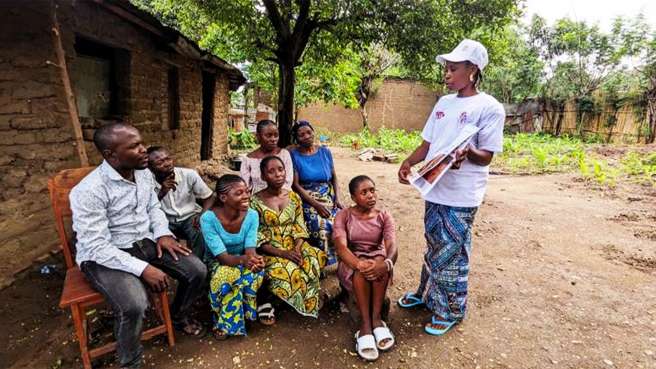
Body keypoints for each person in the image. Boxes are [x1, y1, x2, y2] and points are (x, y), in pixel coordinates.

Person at [70, 123, 207, 369]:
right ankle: (130, 362)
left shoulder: (142, 173)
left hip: (145, 242)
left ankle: (177, 315)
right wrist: (142, 268)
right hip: (105, 255)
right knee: (134, 304)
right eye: (134, 146)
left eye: (141, 143)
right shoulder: (89, 190)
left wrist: (163, 234)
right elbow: (97, 245)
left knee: (196, 270)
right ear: (110, 154)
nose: (144, 150)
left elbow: (153, 207)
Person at [397, 39, 505, 336]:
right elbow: (428, 144)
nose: (446, 73)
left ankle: (451, 310)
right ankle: (427, 293)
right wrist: (409, 161)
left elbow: (486, 156)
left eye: (453, 68)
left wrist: (468, 152)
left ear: (473, 70)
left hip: (462, 194)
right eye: (446, 67)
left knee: (452, 251)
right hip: (434, 188)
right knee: (435, 243)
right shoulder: (444, 104)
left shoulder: (490, 108)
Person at [250, 156, 327, 321]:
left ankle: (300, 296)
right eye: (271, 171)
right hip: (270, 250)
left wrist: (297, 249)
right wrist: (283, 253)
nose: (278, 174)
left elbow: (299, 226)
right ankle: (269, 301)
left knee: (315, 258)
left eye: (280, 169)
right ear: (263, 177)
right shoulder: (254, 202)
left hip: (294, 245)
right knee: (289, 271)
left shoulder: (293, 197)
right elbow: (256, 236)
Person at [333, 176, 398, 361]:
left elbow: (392, 245)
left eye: (372, 190)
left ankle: (377, 319)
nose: (370, 195)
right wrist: (358, 264)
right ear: (353, 197)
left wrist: (386, 264)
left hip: (377, 259)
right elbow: (341, 247)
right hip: (351, 261)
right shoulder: (343, 216)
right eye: (364, 192)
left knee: (379, 266)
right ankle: (366, 325)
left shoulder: (384, 215)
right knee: (362, 273)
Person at [199, 175, 266, 339]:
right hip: (216, 261)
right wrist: (245, 260)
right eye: (239, 193)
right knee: (226, 274)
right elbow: (223, 258)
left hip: (242, 257)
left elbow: (250, 249)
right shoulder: (208, 219)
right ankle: (222, 321)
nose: (246, 196)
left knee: (256, 271)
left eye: (247, 191)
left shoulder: (252, 215)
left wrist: (254, 260)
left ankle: (242, 315)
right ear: (223, 198)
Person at [289, 120, 343, 266]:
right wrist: (316, 205)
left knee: (341, 221)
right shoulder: (294, 155)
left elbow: (334, 177)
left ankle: (341, 259)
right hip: (307, 197)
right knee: (318, 223)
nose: (306, 136)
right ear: (296, 139)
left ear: (313, 132)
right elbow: (296, 185)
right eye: (301, 135)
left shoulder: (325, 152)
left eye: (308, 132)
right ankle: (321, 261)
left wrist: (337, 198)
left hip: (326, 195)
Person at [147, 146, 214, 261]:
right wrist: (162, 192)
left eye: (168, 159)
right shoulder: (147, 182)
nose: (167, 164)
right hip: (165, 220)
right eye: (160, 162)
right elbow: (147, 209)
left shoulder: (189, 175)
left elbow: (209, 197)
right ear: (150, 168)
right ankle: (175, 265)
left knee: (201, 229)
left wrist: (202, 216)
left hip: (189, 217)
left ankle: (199, 264)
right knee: (153, 236)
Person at [240, 119, 294, 194]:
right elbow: (245, 186)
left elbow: (288, 181)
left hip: (283, 196)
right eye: (268, 135)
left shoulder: (284, 154)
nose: (273, 139)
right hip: (258, 199)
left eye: (276, 135)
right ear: (258, 136)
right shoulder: (248, 159)